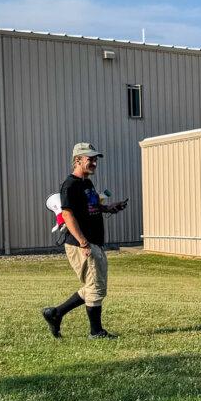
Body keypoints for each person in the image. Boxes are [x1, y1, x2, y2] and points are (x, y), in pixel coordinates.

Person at [41, 142, 127, 339]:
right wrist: (83, 243)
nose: (94, 162)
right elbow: (68, 215)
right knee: (96, 286)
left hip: (92, 241)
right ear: (77, 160)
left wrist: (110, 207)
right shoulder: (70, 185)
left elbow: (92, 206)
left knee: (93, 284)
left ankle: (56, 313)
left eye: (95, 159)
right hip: (81, 243)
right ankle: (96, 332)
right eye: (90, 159)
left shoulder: (86, 183)